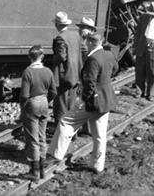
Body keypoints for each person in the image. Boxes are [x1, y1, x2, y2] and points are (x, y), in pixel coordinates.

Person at [49, 31, 117, 173]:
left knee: (66, 122)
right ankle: (98, 166)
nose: (85, 44)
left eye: (86, 42)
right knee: (99, 136)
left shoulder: (93, 59)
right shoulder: (109, 55)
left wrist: (84, 99)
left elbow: (90, 83)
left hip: (92, 101)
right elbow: (115, 69)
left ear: (92, 43)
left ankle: (55, 154)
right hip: (106, 100)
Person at [19, 45, 57, 181]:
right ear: (42, 57)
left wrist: (23, 106)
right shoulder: (48, 71)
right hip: (44, 104)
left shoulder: (28, 72)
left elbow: (24, 95)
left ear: (29, 57)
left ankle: (34, 172)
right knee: (42, 137)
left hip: (32, 104)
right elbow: (53, 91)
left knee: (32, 139)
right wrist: (46, 100)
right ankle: (42, 170)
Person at [51, 11, 83, 126]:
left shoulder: (60, 37)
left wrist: (52, 61)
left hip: (64, 76)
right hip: (75, 75)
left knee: (61, 106)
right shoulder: (76, 35)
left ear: (57, 25)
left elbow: (61, 56)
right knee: (72, 104)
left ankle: (60, 132)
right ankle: (73, 133)